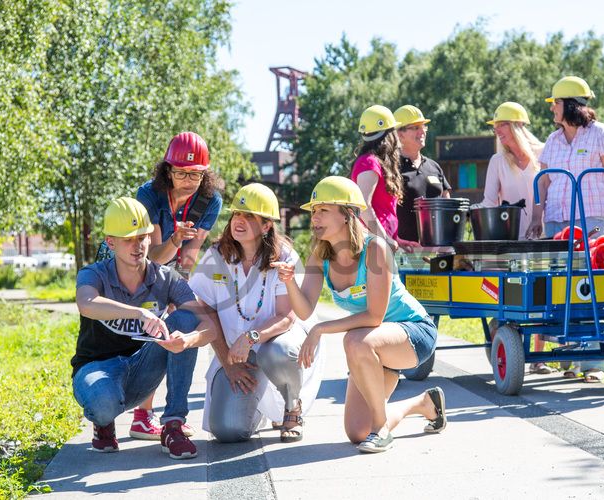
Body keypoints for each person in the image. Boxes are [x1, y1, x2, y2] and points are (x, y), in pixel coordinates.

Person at [272, 176, 447, 454]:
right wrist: (290, 282)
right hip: (375, 343)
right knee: (356, 432)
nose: (314, 217)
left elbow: (374, 317)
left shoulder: (375, 249)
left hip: (413, 332)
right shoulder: (320, 255)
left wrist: (320, 330)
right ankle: (424, 403)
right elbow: (304, 309)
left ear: (348, 214)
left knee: (355, 341)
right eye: (314, 211)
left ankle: (382, 431)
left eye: (323, 210)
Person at [72, 197, 216, 459]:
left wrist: (190, 339)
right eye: (128, 239)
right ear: (110, 242)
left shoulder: (166, 277)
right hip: (97, 368)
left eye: (142, 237)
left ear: (150, 238)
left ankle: (173, 426)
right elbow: (86, 304)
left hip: (142, 367)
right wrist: (138, 313)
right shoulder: (93, 273)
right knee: (103, 405)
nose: (137, 246)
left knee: (184, 320)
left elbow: (208, 324)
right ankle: (104, 422)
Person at [189, 183, 323, 443]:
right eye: (237, 214)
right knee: (228, 431)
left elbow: (287, 317)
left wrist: (250, 337)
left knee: (279, 351)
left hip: (276, 341)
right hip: (236, 354)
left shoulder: (284, 256)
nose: (239, 220)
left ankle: (291, 407)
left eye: (249, 216)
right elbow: (203, 307)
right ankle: (259, 407)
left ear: (266, 226)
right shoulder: (216, 256)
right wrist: (228, 363)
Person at [525, 76, 604, 383]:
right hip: (557, 222)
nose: (552, 109)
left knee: (587, 288)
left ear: (569, 104)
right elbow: (543, 183)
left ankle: (592, 364)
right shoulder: (553, 141)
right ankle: (568, 358)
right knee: (560, 290)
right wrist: (536, 218)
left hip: (591, 221)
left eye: (555, 103)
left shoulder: (601, 134)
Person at [130, 131, 224, 439]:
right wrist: (174, 239)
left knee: (183, 321)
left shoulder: (210, 201)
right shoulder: (150, 195)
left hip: (171, 265)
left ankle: (174, 416)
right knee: (151, 326)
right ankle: (142, 415)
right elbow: (153, 256)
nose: (187, 180)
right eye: (181, 172)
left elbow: (190, 255)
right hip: (136, 264)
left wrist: (178, 288)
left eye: (196, 174)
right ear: (167, 170)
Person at [483, 102, 553, 374]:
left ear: (518, 126)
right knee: (512, 294)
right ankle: (503, 335)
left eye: (502, 125)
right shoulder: (497, 161)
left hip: (542, 234)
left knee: (543, 293)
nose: (498, 130)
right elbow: (490, 201)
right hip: (511, 239)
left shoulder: (545, 153)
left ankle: (538, 356)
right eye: (496, 126)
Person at [350, 105, 417, 253]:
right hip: (373, 247)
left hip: (380, 243)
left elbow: (382, 211)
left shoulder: (374, 162)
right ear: (389, 134)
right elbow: (363, 206)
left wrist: (397, 240)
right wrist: (385, 238)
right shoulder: (369, 162)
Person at [393, 104, 451, 245]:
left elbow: (447, 203)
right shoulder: (391, 168)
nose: (422, 132)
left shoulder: (434, 166)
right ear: (400, 134)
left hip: (438, 250)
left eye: (423, 127)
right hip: (404, 251)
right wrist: (396, 242)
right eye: (415, 128)